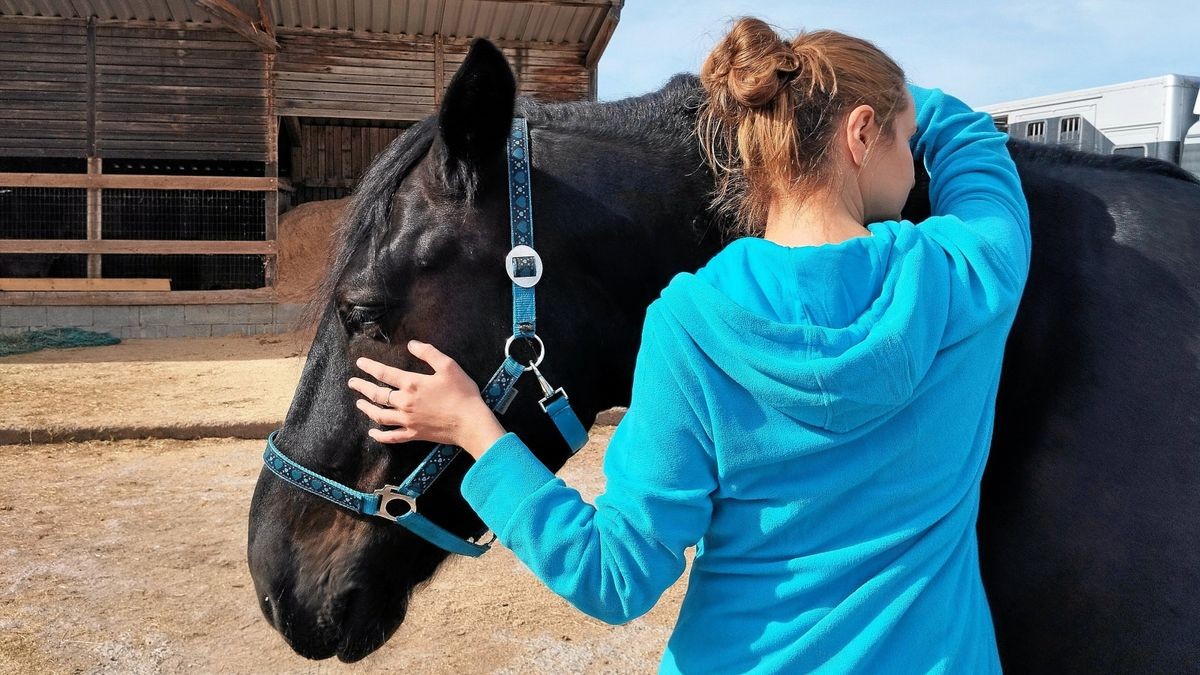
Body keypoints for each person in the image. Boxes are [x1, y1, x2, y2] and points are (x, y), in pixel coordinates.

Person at [347, 17, 1030, 673]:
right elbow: (973, 144)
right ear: (860, 134)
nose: (914, 166)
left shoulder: (692, 323)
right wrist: (898, 101)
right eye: (902, 139)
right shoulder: (962, 276)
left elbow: (615, 575)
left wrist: (473, 427)